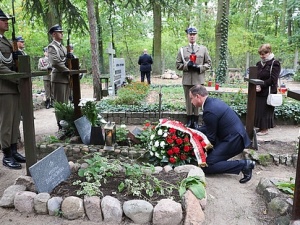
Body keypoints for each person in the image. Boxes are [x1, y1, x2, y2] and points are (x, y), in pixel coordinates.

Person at [189, 85, 255, 183]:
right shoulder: (212, 102)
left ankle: (244, 165)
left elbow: (211, 138)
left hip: (234, 140)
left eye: (191, 98)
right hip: (231, 137)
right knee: (209, 159)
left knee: (207, 165)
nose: (191, 102)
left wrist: (195, 149)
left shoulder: (209, 111)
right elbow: (209, 128)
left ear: (198, 96)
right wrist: (192, 131)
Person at [0, 9, 25, 169]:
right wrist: (18, 77)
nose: (7, 22)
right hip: (4, 87)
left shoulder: (7, 41)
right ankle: (7, 154)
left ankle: (14, 149)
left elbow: (10, 62)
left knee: (15, 121)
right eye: (3, 20)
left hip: (13, 87)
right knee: (6, 122)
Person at [176, 27, 211, 129]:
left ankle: (196, 120)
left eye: (194, 34)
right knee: (188, 100)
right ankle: (189, 120)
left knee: (198, 99)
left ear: (196, 36)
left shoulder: (203, 49)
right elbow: (178, 65)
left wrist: (199, 68)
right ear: (187, 36)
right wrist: (187, 66)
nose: (192, 36)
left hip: (198, 79)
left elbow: (208, 64)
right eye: (190, 34)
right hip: (187, 80)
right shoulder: (182, 50)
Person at [254, 44, 281, 136]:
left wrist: (262, 85)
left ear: (269, 52)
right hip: (258, 91)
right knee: (259, 109)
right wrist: (256, 84)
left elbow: (273, 79)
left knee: (265, 110)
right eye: (260, 54)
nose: (262, 56)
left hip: (268, 91)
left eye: (264, 54)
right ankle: (260, 127)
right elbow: (256, 76)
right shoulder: (259, 64)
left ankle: (265, 129)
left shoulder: (275, 63)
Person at [47, 24, 70, 130]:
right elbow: (55, 62)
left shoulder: (63, 47)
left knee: (65, 103)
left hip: (65, 78)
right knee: (60, 103)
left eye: (62, 32)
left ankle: (65, 124)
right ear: (54, 34)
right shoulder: (52, 47)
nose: (62, 34)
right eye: (59, 32)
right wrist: (68, 71)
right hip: (59, 79)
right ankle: (60, 125)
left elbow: (66, 61)